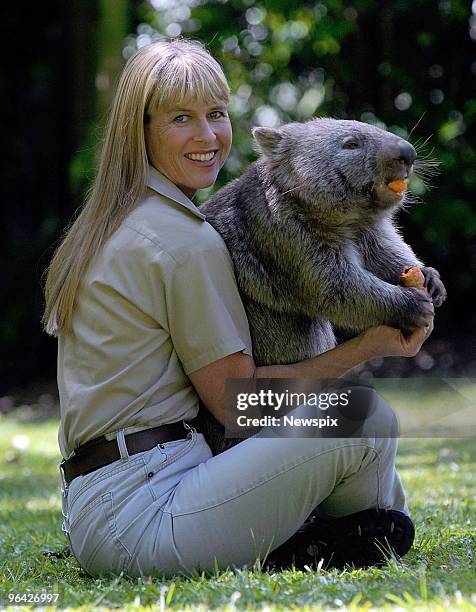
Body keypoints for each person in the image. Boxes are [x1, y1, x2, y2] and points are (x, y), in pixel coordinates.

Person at [42, 38, 434, 578]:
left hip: (106, 501)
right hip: (147, 513)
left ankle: (355, 530)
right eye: (181, 118)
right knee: (361, 419)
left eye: (217, 114)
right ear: (143, 130)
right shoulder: (181, 242)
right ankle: (354, 530)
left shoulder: (119, 219)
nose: (207, 136)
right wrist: (366, 347)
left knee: (353, 430)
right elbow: (237, 406)